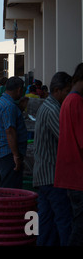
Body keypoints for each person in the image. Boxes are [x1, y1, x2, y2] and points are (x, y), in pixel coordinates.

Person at [33, 72, 73, 246]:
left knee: (46, 223)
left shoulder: (48, 106)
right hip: (51, 176)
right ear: (57, 90)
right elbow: (66, 139)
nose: (69, 96)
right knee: (63, 221)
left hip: (44, 175)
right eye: (67, 91)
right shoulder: (52, 110)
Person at [54, 63, 83, 246]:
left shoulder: (68, 101)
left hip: (69, 174)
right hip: (77, 175)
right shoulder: (76, 102)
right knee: (79, 229)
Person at [0, 76, 28, 189]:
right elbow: (10, 131)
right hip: (8, 155)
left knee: (1, 188)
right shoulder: (9, 106)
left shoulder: (1, 102)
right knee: (9, 190)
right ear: (19, 90)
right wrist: (16, 156)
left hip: (0, 153)